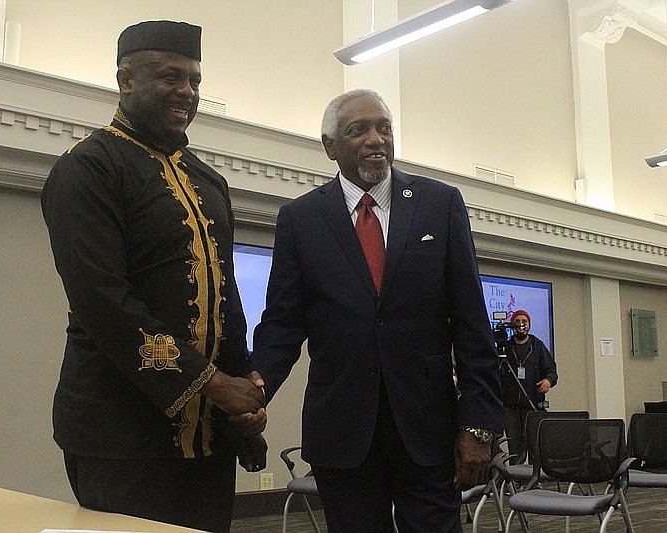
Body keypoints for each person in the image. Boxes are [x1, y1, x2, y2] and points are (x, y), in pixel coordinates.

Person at [41, 20, 266, 532]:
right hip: (118, 435)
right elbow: (103, 304)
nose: (187, 92)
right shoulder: (88, 168)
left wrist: (244, 403)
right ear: (125, 80)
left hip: (208, 438)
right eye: (171, 77)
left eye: (195, 81)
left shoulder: (209, 181)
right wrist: (211, 383)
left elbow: (225, 302)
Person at [251, 88, 503, 532]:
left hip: (428, 431)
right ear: (329, 146)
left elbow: (472, 326)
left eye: (383, 127)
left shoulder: (439, 205)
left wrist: (479, 426)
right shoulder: (300, 218)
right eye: (358, 130)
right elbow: (283, 324)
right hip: (342, 431)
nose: (375, 139)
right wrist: (254, 389)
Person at [501, 309, 558, 459]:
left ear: (529, 325)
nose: (521, 325)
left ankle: (535, 481)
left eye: (524, 322)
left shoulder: (538, 346)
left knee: (535, 447)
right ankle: (516, 481)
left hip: (533, 405)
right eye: (517, 321)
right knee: (515, 449)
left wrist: (548, 381)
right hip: (510, 408)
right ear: (512, 325)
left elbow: (551, 370)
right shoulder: (506, 348)